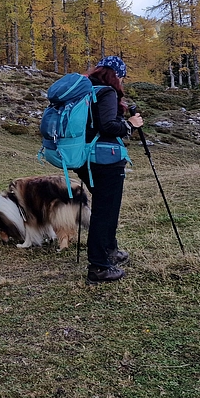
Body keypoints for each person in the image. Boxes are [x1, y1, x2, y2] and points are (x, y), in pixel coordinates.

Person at [75, 55, 143, 284]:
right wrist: (130, 125)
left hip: (84, 159)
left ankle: (110, 250)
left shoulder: (85, 91)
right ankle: (99, 267)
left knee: (105, 208)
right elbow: (108, 126)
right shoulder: (107, 92)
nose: (122, 82)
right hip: (105, 160)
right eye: (122, 77)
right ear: (116, 75)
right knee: (106, 212)